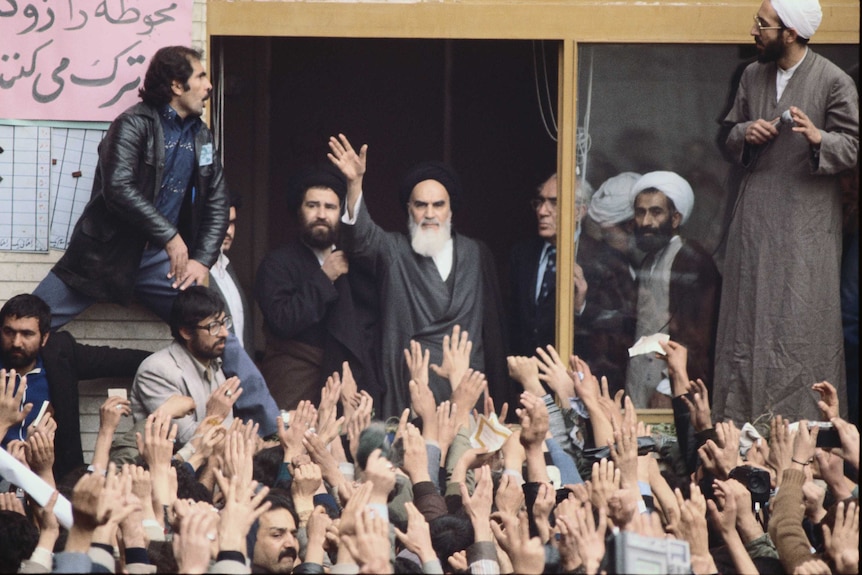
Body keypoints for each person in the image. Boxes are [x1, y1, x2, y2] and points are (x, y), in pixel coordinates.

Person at [30, 45, 279, 436]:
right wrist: (171, 237)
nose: (209, 86)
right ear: (176, 85)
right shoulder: (132, 124)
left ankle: (271, 434)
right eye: (200, 77)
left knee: (221, 334)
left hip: (165, 265)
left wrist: (201, 260)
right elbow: (119, 188)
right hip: (103, 256)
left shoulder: (201, 135)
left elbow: (217, 199)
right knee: (24, 322)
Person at [714, 0, 859, 423]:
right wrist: (745, 132)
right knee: (746, 320)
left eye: (762, 24)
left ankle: (803, 440)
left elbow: (851, 147)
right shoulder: (751, 74)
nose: (754, 31)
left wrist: (819, 139)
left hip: (805, 224)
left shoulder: (833, 81)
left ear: (790, 33)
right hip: (755, 220)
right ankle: (739, 432)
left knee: (802, 321)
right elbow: (729, 138)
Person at [327, 134, 509, 418]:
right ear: (408, 210)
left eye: (438, 205)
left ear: (451, 209)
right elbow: (359, 239)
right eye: (420, 205)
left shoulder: (476, 253)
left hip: (466, 388)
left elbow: (492, 331)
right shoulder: (393, 250)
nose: (429, 213)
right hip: (409, 389)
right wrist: (354, 184)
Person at [254, 164, 380, 410]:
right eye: (313, 206)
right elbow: (283, 320)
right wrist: (324, 278)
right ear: (299, 211)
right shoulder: (276, 263)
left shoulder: (355, 262)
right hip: (294, 380)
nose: (321, 214)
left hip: (348, 381)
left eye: (330, 207)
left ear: (339, 214)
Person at [0, 294, 149, 481]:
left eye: (27, 334)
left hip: (53, 480)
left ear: (44, 337)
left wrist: (168, 363)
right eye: (9, 332)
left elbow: (114, 360)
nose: (16, 342)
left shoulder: (60, 353)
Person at [508, 173, 633, 393]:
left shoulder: (606, 260)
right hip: (529, 386)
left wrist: (581, 308)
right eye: (540, 201)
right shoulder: (522, 255)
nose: (542, 211)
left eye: (554, 203)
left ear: (579, 211)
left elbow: (624, 326)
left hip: (580, 384)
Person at [625, 171, 721, 408]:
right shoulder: (650, 260)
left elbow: (698, 336)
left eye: (656, 212)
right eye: (640, 212)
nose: (646, 222)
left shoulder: (691, 261)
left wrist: (668, 386)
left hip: (670, 388)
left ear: (675, 219)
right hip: (641, 379)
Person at [130, 286, 238, 444]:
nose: (224, 333)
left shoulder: (213, 362)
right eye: (213, 326)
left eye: (224, 323)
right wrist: (215, 416)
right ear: (186, 332)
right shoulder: (157, 370)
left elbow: (227, 431)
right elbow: (184, 441)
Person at [209, 191, 254, 355]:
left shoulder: (227, 269)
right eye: (221, 223)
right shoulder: (197, 272)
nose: (228, 231)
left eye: (232, 223)